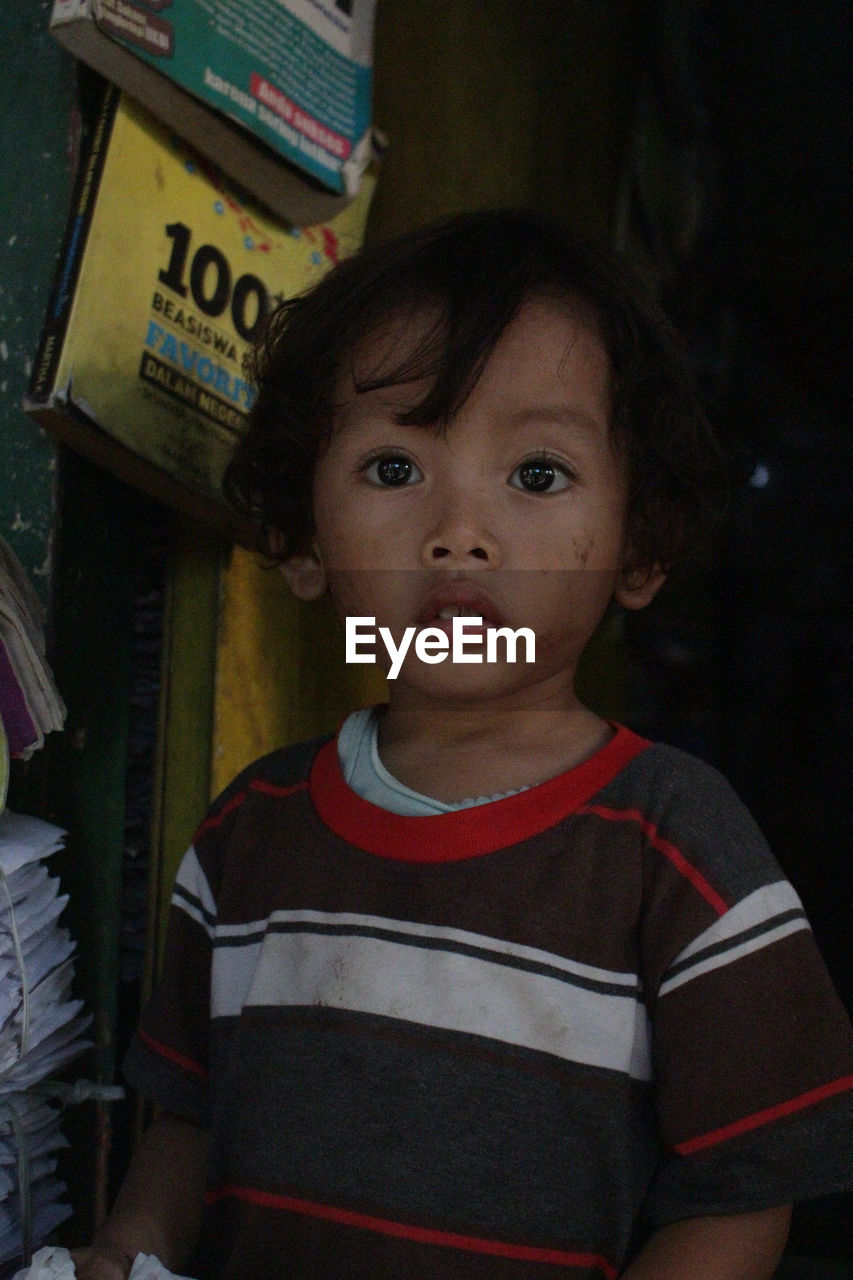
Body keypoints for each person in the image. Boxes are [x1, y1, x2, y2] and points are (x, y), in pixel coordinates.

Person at [74, 210, 853, 1280]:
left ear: (639, 548)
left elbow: (741, 1197)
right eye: (393, 468)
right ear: (303, 542)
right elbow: (189, 1123)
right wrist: (127, 1247)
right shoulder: (249, 827)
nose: (457, 529)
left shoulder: (674, 844)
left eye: (536, 476)